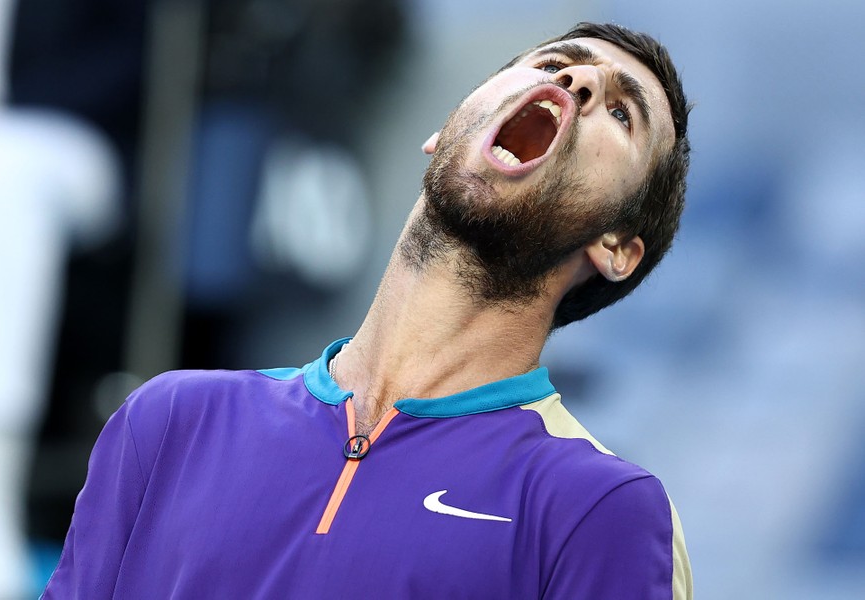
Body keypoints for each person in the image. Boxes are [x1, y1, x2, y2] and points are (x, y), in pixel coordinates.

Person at [43, 21, 693, 598]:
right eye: (553, 66)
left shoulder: (598, 507)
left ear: (617, 247)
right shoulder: (169, 421)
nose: (578, 80)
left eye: (621, 112)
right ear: (446, 132)